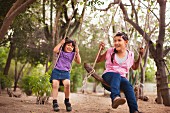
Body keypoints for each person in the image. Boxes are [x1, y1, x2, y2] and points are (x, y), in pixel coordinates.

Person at [96, 32, 144, 113]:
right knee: (116, 75)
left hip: (121, 78)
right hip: (108, 76)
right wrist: (100, 50)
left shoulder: (130, 55)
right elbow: (98, 60)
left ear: (126, 42)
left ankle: (134, 110)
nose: (116, 43)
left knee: (128, 86)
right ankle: (115, 98)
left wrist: (140, 56)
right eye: (115, 41)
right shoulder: (110, 51)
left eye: (119, 40)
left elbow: (135, 67)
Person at [50, 37, 81, 112]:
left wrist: (77, 52)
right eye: (68, 45)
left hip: (65, 72)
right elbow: (54, 50)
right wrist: (61, 43)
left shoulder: (73, 54)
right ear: (64, 45)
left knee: (67, 84)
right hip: (56, 70)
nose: (70, 47)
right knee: (55, 84)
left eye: (72, 46)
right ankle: (55, 102)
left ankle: (67, 101)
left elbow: (79, 61)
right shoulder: (60, 51)